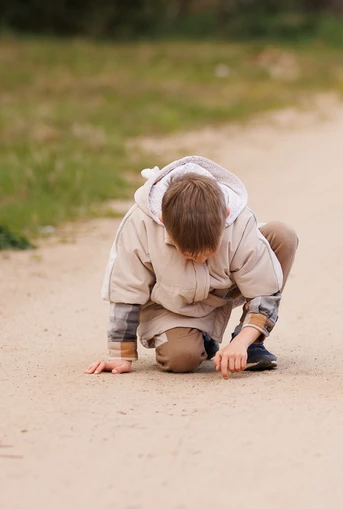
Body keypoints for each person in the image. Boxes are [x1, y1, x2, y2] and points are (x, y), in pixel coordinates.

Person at [85, 156, 297, 378]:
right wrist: (121, 355)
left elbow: (265, 290)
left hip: (222, 288)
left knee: (282, 235)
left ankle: (250, 344)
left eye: (208, 252)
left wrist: (242, 342)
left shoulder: (239, 222)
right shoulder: (140, 224)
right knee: (181, 359)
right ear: (163, 221)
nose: (198, 261)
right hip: (170, 304)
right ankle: (201, 339)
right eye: (187, 255)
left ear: (225, 216)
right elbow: (126, 289)